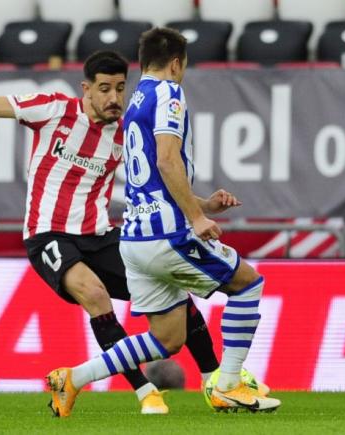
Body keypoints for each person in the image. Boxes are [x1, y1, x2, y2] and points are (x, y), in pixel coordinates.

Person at [0, 50, 220, 415]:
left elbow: (159, 182)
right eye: (104, 88)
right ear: (86, 89)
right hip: (48, 235)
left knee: (171, 290)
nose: (113, 98)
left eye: (121, 89)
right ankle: (144, 392)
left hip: (101, 235)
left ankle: (217, 380)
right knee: (95, 295)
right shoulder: (52, 109)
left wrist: (202, 206)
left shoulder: (126, 134)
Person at [46, 29, 281, 417]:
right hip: (167, 234)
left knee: (167, 339)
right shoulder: (169, 93)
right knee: (247, 284)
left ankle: (71, 379)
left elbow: (155, 177)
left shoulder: (136, 98)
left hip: (134, 239)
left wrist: (202, 203)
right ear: (176, 63)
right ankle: (229, 384)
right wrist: (197, 216)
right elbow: (167, 161)